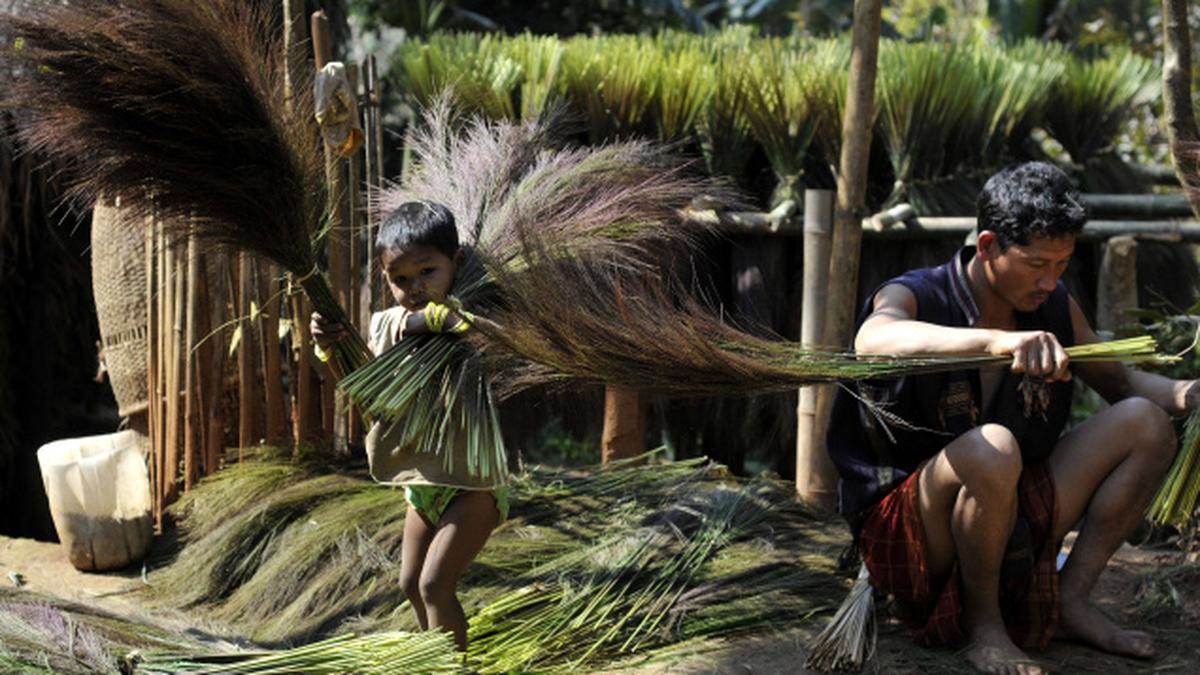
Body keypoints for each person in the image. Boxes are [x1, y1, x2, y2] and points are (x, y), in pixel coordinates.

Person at [827, 161, 1199, 675]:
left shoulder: (1053, 307)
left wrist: (1190, 393)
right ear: (987, 246)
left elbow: (1126, 384)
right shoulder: (917, 292)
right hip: (911, 535)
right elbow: (873, 342)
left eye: (1063, 265)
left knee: (1147, 422)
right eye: (1035, 263)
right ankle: (986, 628)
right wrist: (997, 342)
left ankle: (1070, 600)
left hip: (1010, 520)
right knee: (993, 446)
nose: (1050, 281)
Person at [311, 200, 507, 651]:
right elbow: (367, 391)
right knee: (409, 583)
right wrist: (329, 347)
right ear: (385, 278)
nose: (414, 287)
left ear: (456, 263)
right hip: (422, 485)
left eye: (427, 272)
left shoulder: (470, 321)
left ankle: (452, 667)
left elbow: (483, 335)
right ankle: (435, 654)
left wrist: (442, 320)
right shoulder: (385, 327)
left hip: (471, 482)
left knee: (435, 584)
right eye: (399, 279)